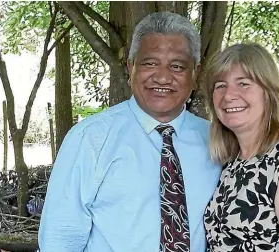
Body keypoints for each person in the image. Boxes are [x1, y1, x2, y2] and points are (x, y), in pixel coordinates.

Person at [39, 12, 221, 252]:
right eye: (150, 63)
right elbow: (59, 240)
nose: (163, 77)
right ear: (130, 67)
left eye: (177, 66)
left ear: (195, 74)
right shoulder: (90, 139)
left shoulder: (216, 141)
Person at [203, 43, 279, 252]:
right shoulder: (234, 162)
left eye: (243, 83)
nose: (229, 95)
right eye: (220, 86)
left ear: (268, 92)